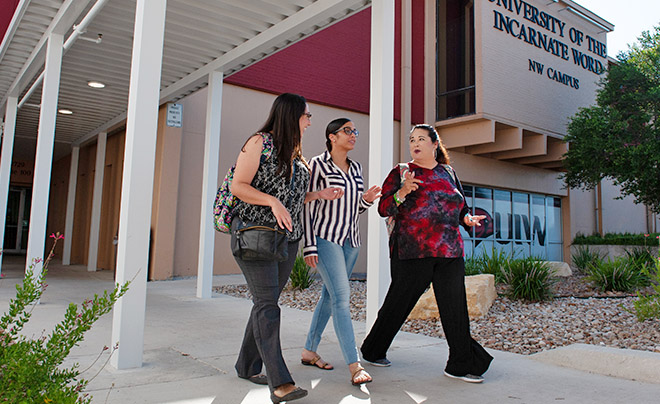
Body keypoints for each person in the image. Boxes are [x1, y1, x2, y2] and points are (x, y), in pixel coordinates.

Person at [360, 124, 493, 383]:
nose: (415, 143)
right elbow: (383, 208)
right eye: (411, 140)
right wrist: (402, 192)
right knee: (397, 305)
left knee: (455, 308)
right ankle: (372, 350)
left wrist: (467, 220)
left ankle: (459, 364)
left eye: (421, 139)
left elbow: (460, 207)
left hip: (450, 251)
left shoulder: (448, 172)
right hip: (412, 251)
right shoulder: (401, 172)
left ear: (435, 144)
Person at [231, 93, 342, 403]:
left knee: (265, 303)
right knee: (268, 306)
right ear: (292, 115)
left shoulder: (295, 152)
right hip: (254, 236)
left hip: (286, 240)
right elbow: (238, 186)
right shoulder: (259, 143)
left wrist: (317, 195)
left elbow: (292, 196)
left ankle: (246, 365)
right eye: (306, 115)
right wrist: (271, 201)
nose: (309, 121)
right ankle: (280, 383)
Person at [301, 118, 381, 386]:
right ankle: (354, 365)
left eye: (355, 131)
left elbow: (353, 208)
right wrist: (309, 245)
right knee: (342, 299)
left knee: (329, 295)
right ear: (332, 136)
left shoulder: (356, 167)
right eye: (347, 131)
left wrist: (366, 200)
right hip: (325, 239)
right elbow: (306, 204)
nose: (353, 135)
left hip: (351, 241)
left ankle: (309, 350)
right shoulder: (317, 164)